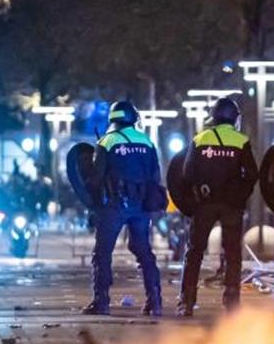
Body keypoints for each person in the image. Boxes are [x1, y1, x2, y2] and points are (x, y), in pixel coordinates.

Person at [80, 100, 164, 316]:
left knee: (103, 252)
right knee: (143, 249)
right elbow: (155, 176)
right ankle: (154, 300)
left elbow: (97, 178)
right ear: (133, 118)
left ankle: (102, 302)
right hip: (141, 205)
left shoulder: (107, 141)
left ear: (113, 119)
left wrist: (88, 195)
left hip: (114, 205)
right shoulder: (147, 141)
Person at [176, 97, 258, 316]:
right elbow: (252, 174)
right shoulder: (241, 141)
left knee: (194, 252)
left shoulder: (200, 138)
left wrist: (199, 190)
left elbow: (186, 172)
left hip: (205, 204)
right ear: (234, 118)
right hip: (232, 206)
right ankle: (232, 302)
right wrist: (240, 195)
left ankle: (187, 301)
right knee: (232, 254)